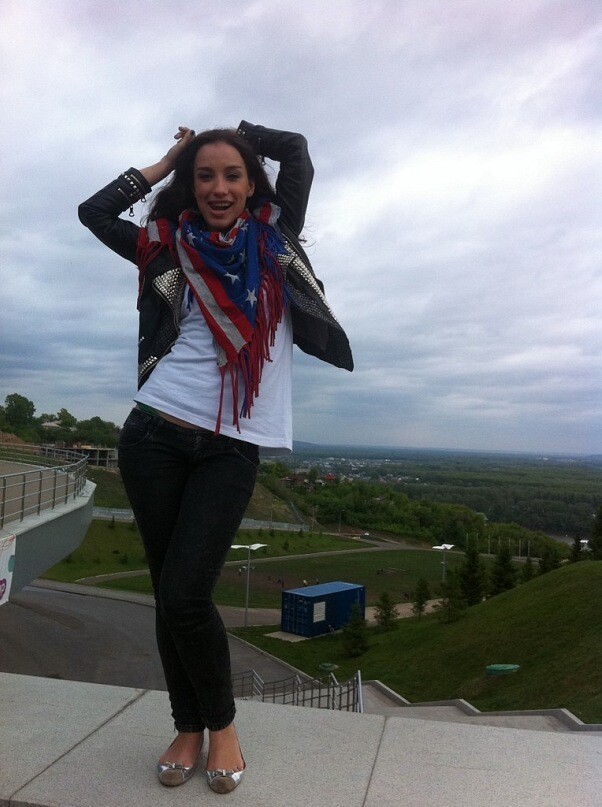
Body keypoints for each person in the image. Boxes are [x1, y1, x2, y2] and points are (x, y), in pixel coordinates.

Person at [78, 121, 352, 794]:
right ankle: (188, 727)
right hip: (154, 435)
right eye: (204, 176)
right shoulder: (164, 247)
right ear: (190, 185)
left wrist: (240, 133)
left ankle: (221, 726)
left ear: (252, 183)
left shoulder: (276, 238)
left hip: (231, 447)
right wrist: (165, 161)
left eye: (233, 174)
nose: (219, 187)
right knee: (170, 596)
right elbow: (94, 212)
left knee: (185, 592)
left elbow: (296, 152)